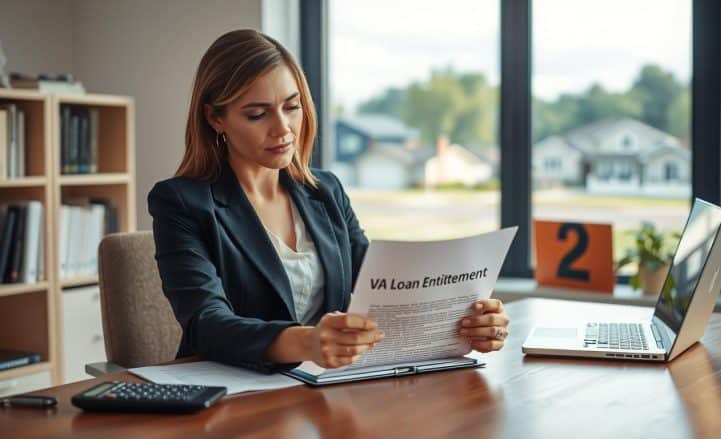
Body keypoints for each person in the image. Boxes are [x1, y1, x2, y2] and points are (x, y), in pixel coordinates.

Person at [148, 29, 510, 373]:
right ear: (215, 118)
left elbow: (384, 284)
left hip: (322, 389)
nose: (283, 128)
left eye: (292, 107)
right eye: (257, 114)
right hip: (236, 396)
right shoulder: (181, 202)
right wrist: (307, 342)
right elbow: (206, 324)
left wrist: (465, 320)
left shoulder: (326, 191)